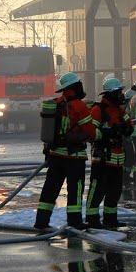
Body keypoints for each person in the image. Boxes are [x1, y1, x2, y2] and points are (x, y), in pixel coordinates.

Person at [33, 72, 97, 230]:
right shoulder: (79, 106)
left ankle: (41, 221)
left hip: (55, 155)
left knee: (50, 189)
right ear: (75, 87)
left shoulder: (57, 103)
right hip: (74, 157)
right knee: (75, 189)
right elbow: (91, 132)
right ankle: (75, 222)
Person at [85, 78, 133, 229]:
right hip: (103, 158)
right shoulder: (98, 110)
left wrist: (124, 128)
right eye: (118, 92)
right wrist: (106, 132)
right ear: (111, 94)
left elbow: (130, 126)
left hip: (117, 158)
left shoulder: (120, 110)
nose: (121, 95)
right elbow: (90, 132)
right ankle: (92, 219)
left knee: (115, 191)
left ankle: (110, 219)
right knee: (97, 189)